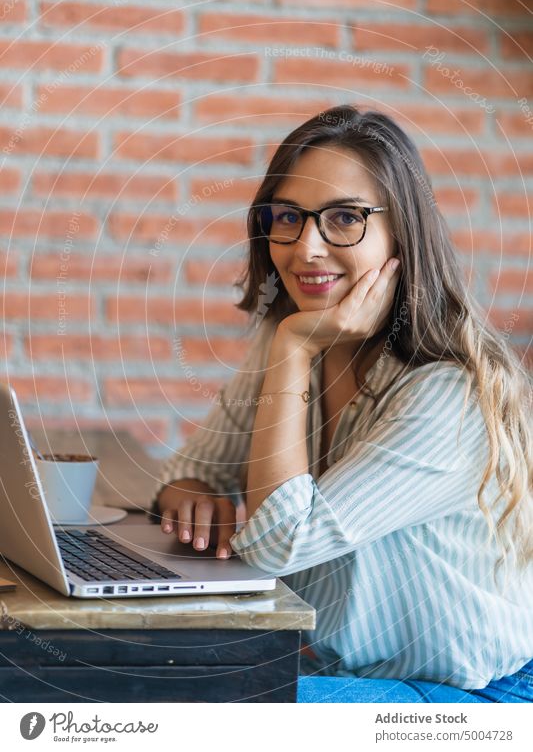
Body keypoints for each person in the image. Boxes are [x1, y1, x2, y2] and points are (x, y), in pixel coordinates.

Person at [153, 104, 533, 703]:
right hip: (344, 673)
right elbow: (187, 471)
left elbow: (282, 542)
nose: (306, 248)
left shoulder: (446, 393)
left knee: (198, 703)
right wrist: (193, 492)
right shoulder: (292, 335)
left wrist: (295, 349)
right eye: (288, 217)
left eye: (345, 219)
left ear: (401, 232)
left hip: (463, 697)